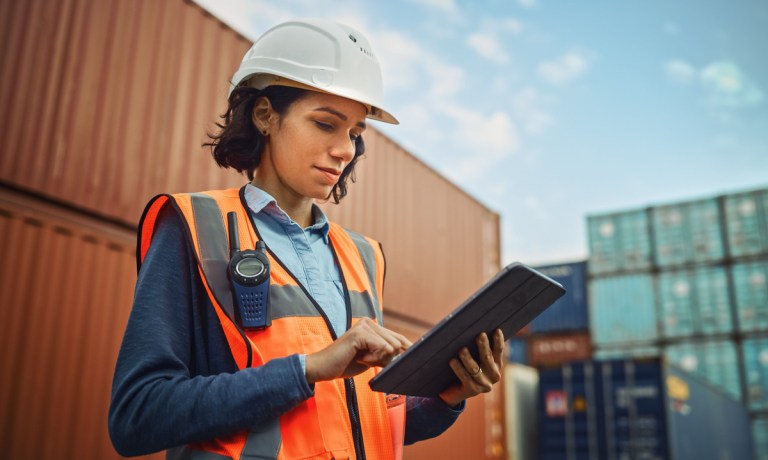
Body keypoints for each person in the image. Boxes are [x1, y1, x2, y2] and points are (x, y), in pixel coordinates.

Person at [108, 18, 504, 460]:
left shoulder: (364, 256)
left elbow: (354, 421)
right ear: (265, 116)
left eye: (355, 133)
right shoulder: (195, 227)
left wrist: (448, 394)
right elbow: (136, 416)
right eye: (325, 124)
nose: (346, 150)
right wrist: (308, 369)